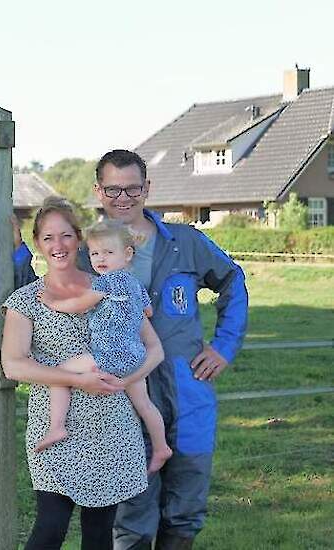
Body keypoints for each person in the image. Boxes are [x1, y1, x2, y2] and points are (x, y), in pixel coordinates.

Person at [87, 150, 248, 550]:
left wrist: (224, 347)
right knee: (131, 512)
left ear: (147, 189)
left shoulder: (186, 242)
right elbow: (41, 298)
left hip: (188, 389)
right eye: (113, 189)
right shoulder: (85, 251)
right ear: (98, 191)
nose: (123, 197)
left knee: (186, 506)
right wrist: (18, 251)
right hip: (122, 395)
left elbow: (233, 280)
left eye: (132, 188)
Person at [1, 197, 164, 550]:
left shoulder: (112, 284)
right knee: (50, 528)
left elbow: (153, 348)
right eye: (47, 238)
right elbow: (13, 364)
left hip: (112, 427)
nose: (57, 246)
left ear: (79, 239)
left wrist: (130, 379)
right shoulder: (27, 299)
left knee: (98, 535)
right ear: (38, 244)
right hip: (56, 429)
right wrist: (77, 380)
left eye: (65, 236)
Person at [35, 219, 173, 476]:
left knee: (60, 373)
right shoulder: (136, 285)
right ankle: (161, 446)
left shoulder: (106, 282)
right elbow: (149, 310)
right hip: (135, 355)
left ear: (128, 254)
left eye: (108, 252)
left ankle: (56, 426)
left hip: (108, 356)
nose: (100, 259)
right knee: (144, 404)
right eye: (95, 253)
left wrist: (53, 303)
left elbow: (80, 304)